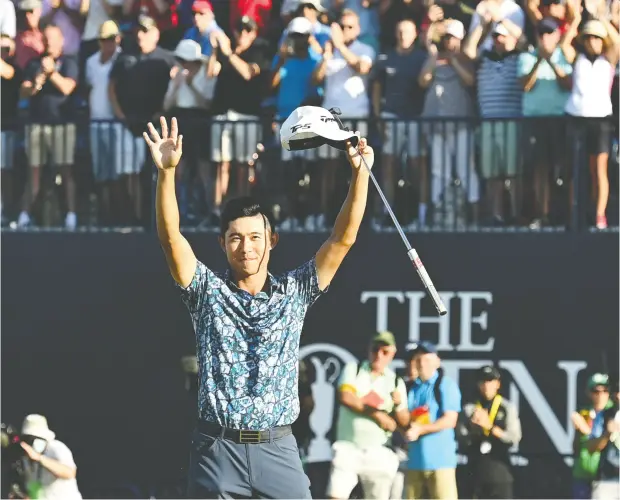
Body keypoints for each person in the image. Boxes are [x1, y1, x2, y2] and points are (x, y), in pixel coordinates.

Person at [141, 111, 373, 498]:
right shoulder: (206, 292)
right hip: (217, 451)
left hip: (278, 449)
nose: (245, 247)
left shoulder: (294, 291)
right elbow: (170, 239)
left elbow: (342, 239)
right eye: (235, 238)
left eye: (254, 237)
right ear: (222, 244)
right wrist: (166, 174)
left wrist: (360, 174)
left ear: (271, 241)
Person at [326, 331, 409, 500]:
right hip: (347, 447)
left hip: (379, 451)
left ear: (392, 353)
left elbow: (403, 422)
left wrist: (399, 404)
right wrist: (377, 414)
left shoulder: (395, 381)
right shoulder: (353, 369)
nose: (379, 355)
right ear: (369, 350)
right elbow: (346, 397)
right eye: (375, 350)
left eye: (384, 351)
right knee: (335, 496)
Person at [562, 15, 620, 230]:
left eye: (597, 38)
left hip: (601, 120)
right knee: (576, 170)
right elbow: (563, 45)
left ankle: (599, 216)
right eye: (589, 37)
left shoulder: (609, 61)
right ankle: (574, 214)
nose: (593, 41)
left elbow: (617, 42)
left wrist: (603, 19)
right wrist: (576, 20)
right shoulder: (577, 59)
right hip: (576, 119)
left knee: (599, 171)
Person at [405, 341, 461, 500]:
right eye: (419, 358)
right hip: (414, 462)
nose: (422, 362)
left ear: (437, 362)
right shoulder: (412, 388)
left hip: (441, 463)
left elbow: (450, 420)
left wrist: (420, 430)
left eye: (427, 358)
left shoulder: (446, 385)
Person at [459, 365, 522, 499]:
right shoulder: (470, 409)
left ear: (497, 384)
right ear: (478, 384)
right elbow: (461, 438)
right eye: (483, 382)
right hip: (475, 471)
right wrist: (473, 427)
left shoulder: (507, 408)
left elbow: (514, 437)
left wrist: (490, 427)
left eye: (490, 381)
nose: (486, 386)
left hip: (500, 473)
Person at [19, 414, 82, 499]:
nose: (29, 443)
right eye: (26, 439)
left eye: (32, 439)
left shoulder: (56, 447)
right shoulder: (25, 458)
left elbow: (69, 473)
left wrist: (39, 458)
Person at [571, 373, 614, 499]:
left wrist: (585, 429)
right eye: (596, 391)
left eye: (605, 390)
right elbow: (578, 447)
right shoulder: (584, 412)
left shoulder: (613, 412)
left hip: (606, 475)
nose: (601, 395)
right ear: (589, 393)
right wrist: (579, 430)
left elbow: (594, 446)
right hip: (582, 475)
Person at [587, 377, 620, 499]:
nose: (618, 395)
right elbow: (591, 447)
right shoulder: (605, 415)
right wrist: (607, 434)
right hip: (607, 480)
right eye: (616, 391)